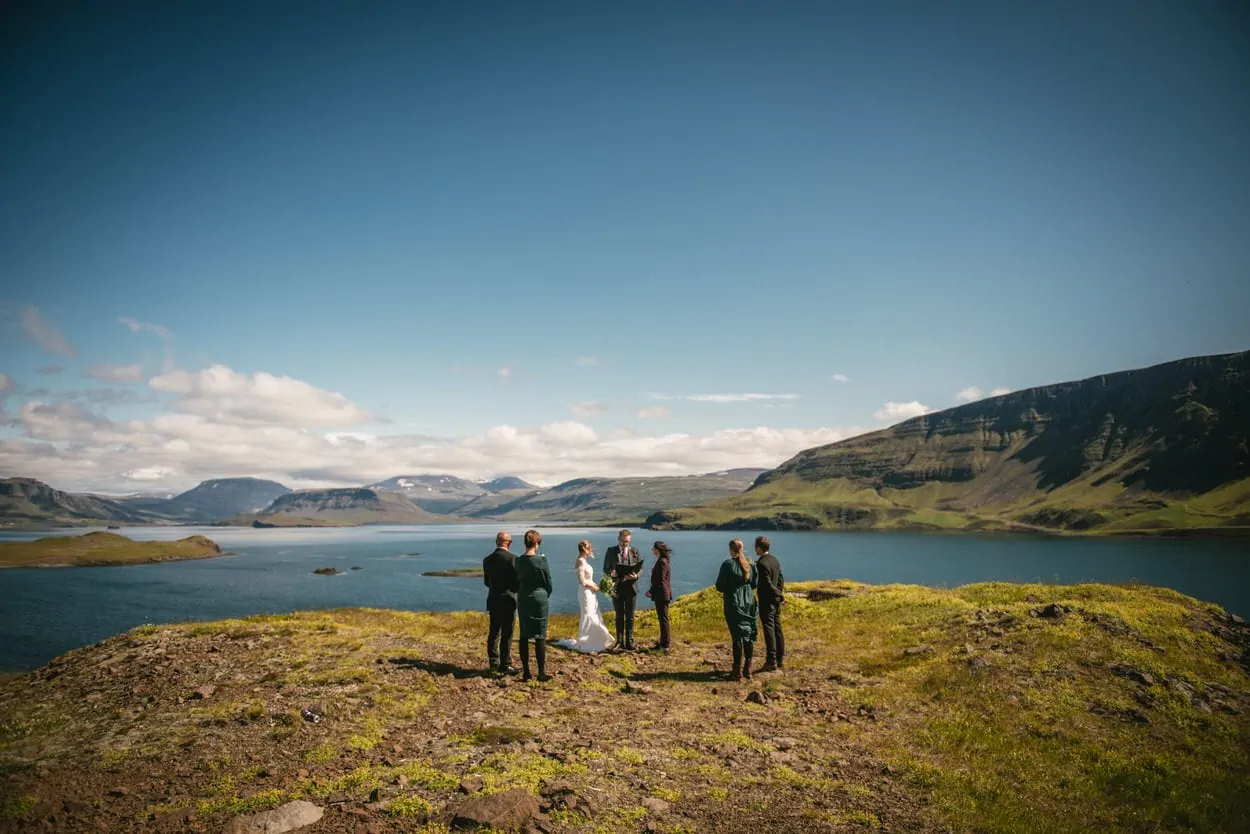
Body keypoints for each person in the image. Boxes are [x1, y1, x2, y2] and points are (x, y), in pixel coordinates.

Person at [555, 540, 615, 653]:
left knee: (593, 613)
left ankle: (596, 639)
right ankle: (587, 641)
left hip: (590, 591)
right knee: (588, 614)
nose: (591, 551)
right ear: (586, 549)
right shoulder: (581, 561)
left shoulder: (584, 561)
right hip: (586, 592)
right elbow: (582, 581)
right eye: (590, 548)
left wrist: (596, 586)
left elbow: (587, 580)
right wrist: (594, 586)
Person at [715, 538, 759, 681]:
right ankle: (748, 668)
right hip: (749, 601)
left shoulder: (728, 565)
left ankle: (736, 670)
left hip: (734, 601)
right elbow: (754, 583)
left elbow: (720, 586)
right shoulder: (750, 564)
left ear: (731, 549)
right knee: (748, 634)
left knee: (737, 636)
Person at [516, 528, 554, 681]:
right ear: (537, 543)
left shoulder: (518, 560)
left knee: (524, 634)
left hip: (523, 597)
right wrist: (545, 595)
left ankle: (526, 672)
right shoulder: (541, 560)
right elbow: (548, 582)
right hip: (539, 598)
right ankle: (541, 672)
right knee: (540, 635)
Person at [482, 531, 519, 674]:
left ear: (496, 542)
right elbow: (517, 583)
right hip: (508, 600)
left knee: (494, 632)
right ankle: (505, 664)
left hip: (493, 599)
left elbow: (487, 582)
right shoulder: (513, 559)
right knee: (507, 633)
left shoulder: (487, 559)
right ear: (508, 542)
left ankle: (493, 661)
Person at [603, 529, 644, 651]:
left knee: (630, 616)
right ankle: (619, 641)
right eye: (623, 541)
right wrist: (612, 573)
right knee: (619, 615)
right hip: (617, 588)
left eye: (627, 542)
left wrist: (637, 576)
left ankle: (629, 641)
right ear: (618, 539)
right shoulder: (611, 551)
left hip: (632, 588)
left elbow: (641, 568)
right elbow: (606, 568)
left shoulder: (635, 551)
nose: (625, 544)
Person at [754, 535, 785, 672]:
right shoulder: (775, 560)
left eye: (756, 547)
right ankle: (779, 659)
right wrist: (779, 595)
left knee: (769, 630)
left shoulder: (761, 564)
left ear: (759, 548)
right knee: (777, 628)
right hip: (775, 601)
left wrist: (779, 595)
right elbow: (780, 579)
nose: (755, 549)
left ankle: (771, 660)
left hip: (767, 601)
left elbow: (766, 584)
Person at [645, 542, 673, 651]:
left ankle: (665, 645)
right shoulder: (663, 561)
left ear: (657, 549)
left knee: (663, 619)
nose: (652, 550)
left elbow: (660, 581)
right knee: (663, 619)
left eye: (653, 548)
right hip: (663, 594)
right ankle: (663, 643)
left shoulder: (661, 562)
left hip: (662, 595)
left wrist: (651, 591)